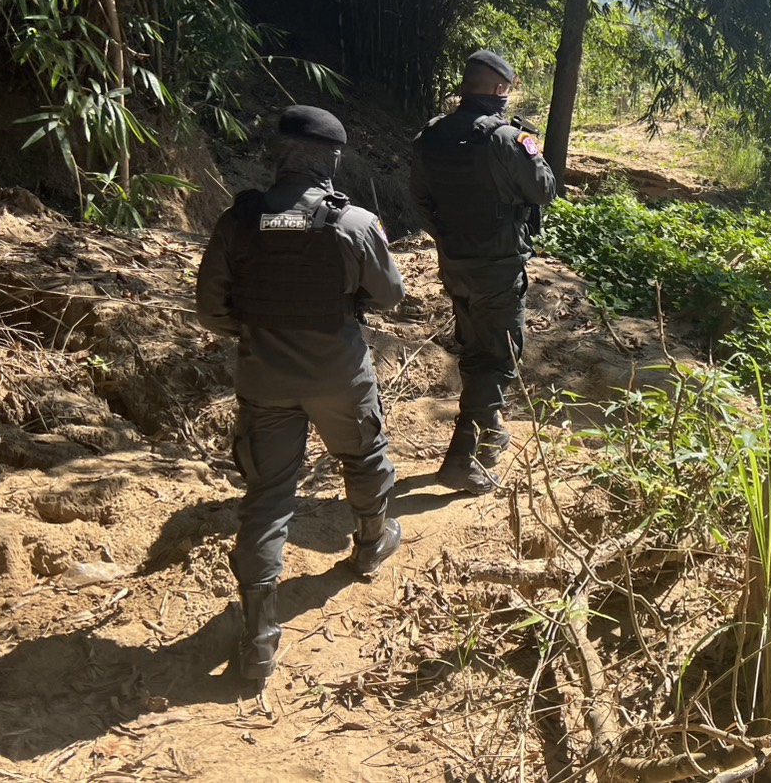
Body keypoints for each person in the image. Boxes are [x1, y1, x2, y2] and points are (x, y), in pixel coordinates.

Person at [195, 105, 406, 683]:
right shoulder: (355, 223)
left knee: (267, 497)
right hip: (339, 374)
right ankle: (370, 546)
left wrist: (260, 331)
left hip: (264, 379)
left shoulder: (238, 222)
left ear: (277, 153)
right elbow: (391, 295)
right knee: (363, 456)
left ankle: (258, 638)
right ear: (332, 159)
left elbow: (211, 310)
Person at [408, 49, 558, 495]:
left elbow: (420, 201)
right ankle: (462, 459)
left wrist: (451, 238)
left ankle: (490, 431)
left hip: (455, 263)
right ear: (499, 89)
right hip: (497, 266)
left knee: (476, 347)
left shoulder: (430, 135)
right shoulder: (507, 139)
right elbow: (544, 190)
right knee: (496, 356)